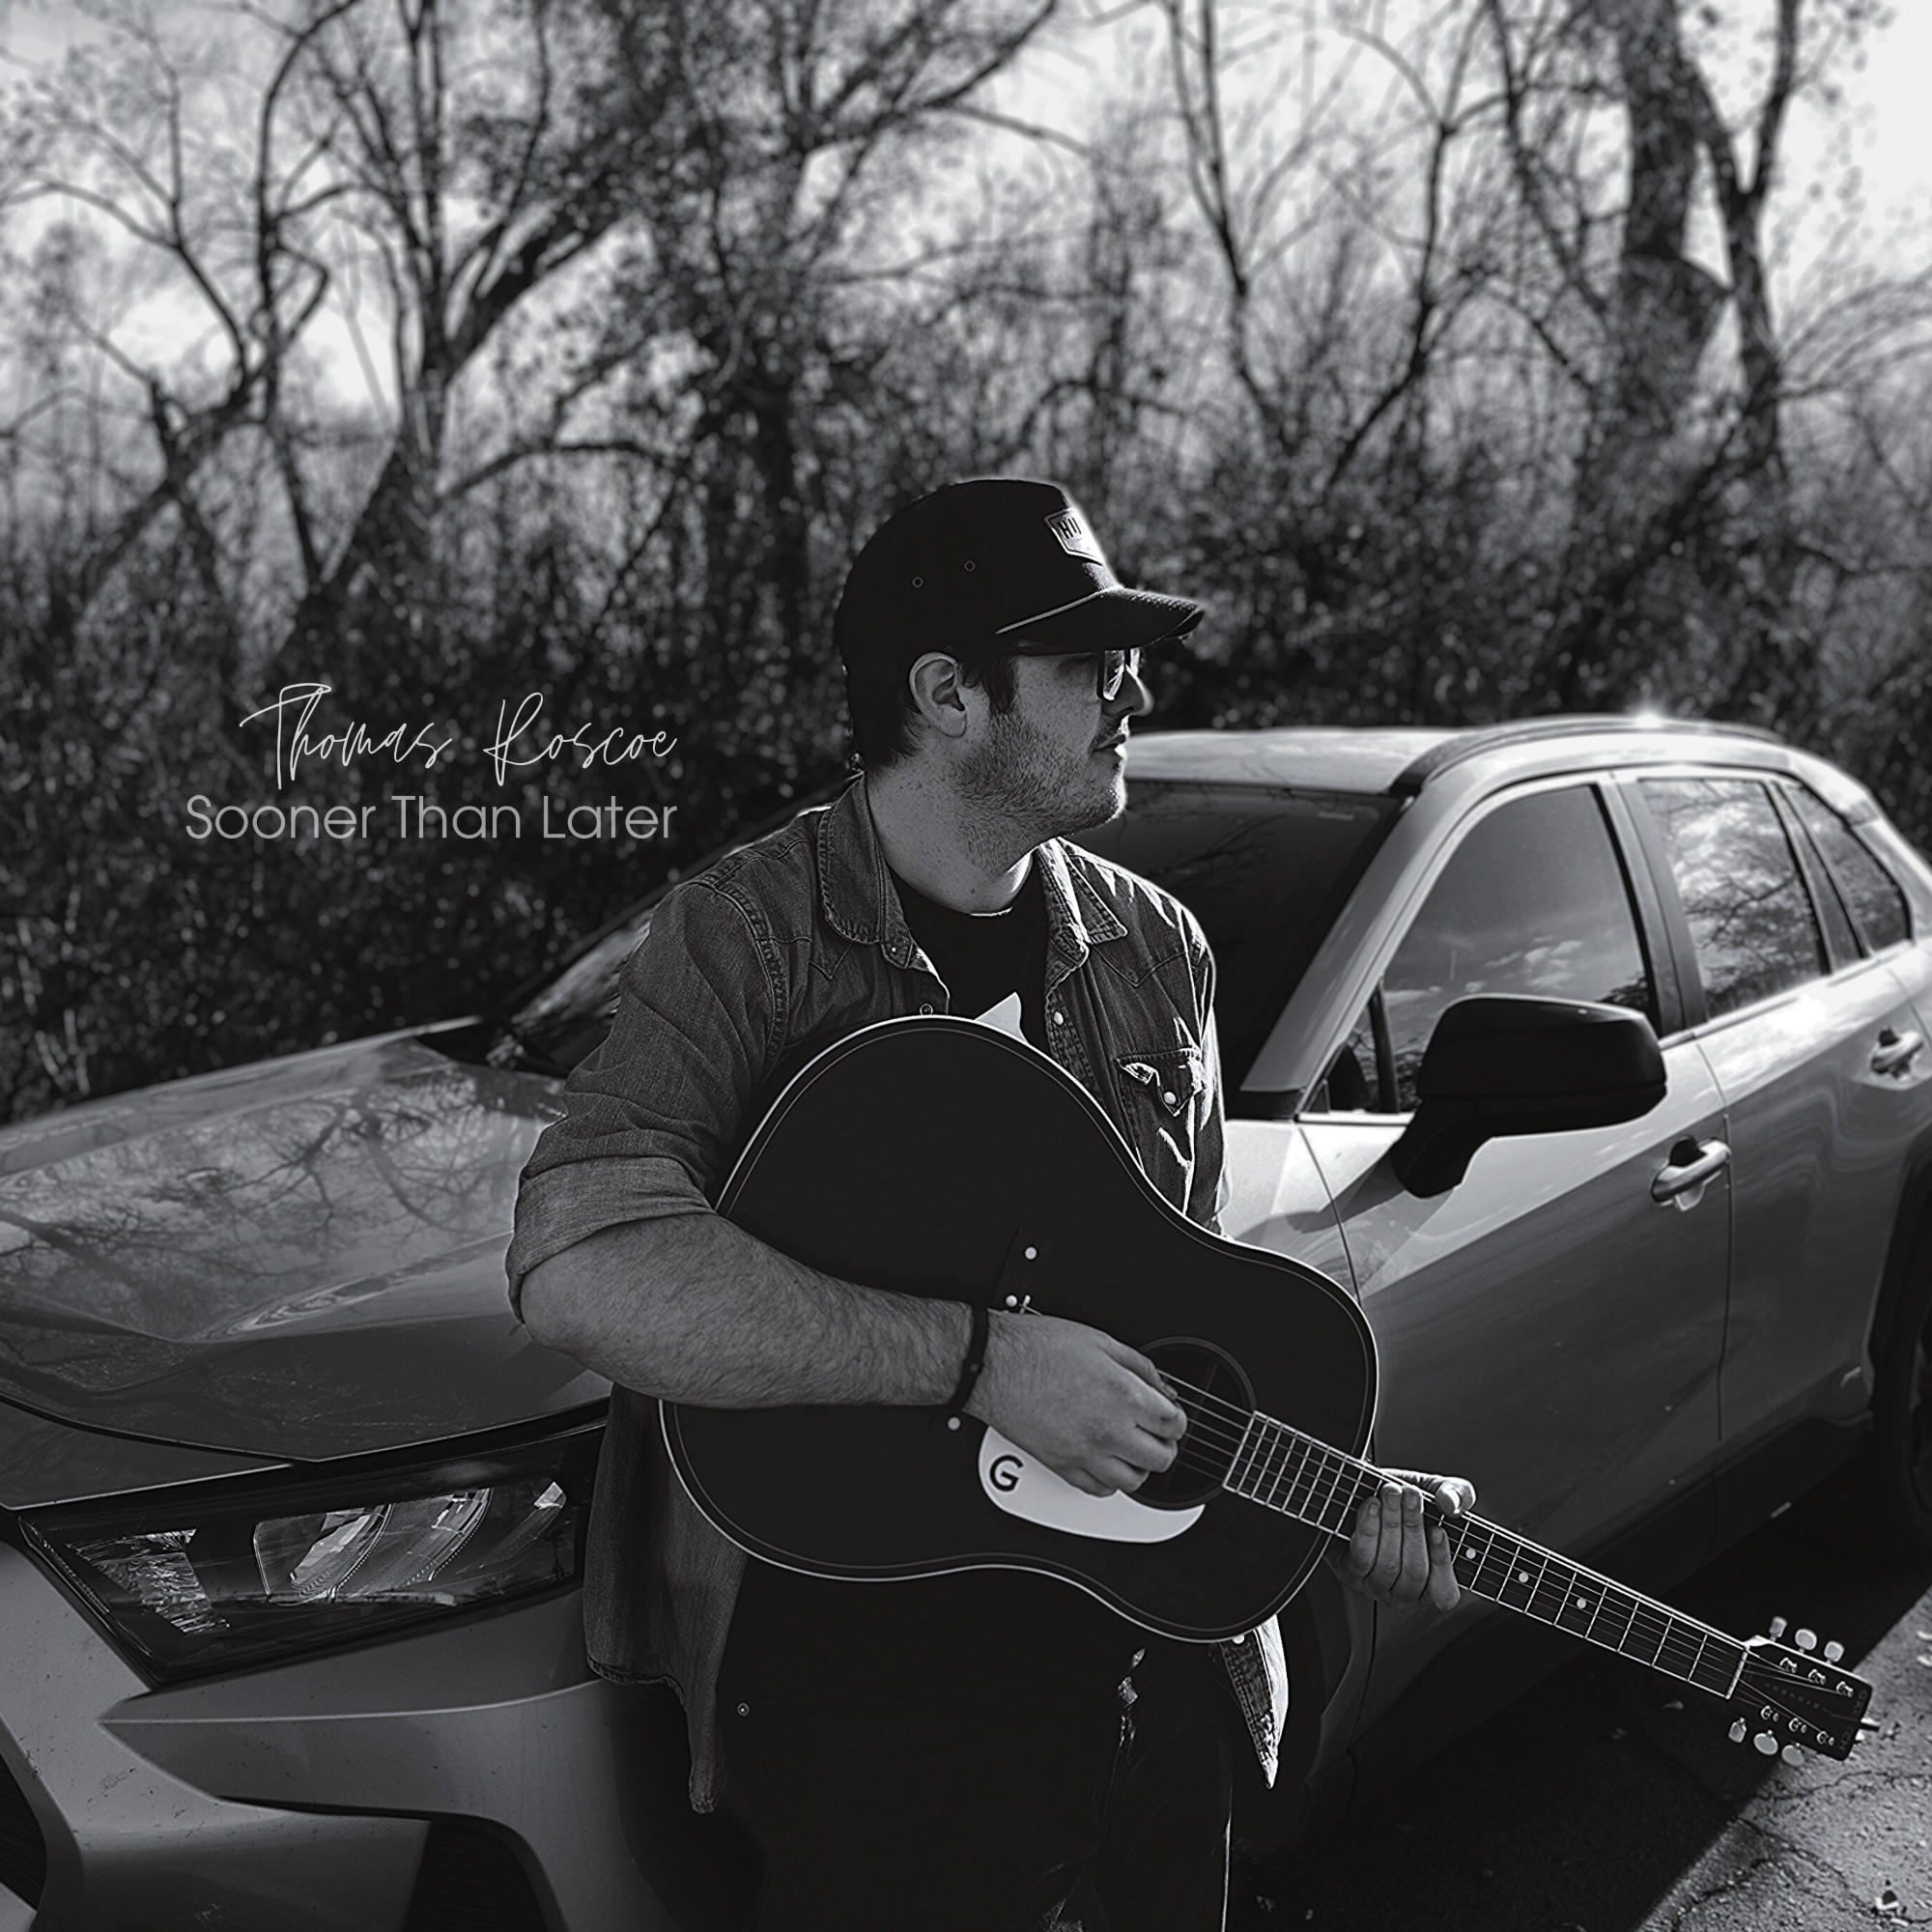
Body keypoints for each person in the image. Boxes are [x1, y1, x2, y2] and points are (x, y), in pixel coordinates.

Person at [506, 476, 1473, 1930]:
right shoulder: (748, 937)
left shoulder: (1159, 949)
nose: (1134, 692)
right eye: (1090, 661)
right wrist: (979, 1361)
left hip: (1158, 1676)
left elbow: (1188, 1306)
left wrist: (1344, 1492)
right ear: (949, 694)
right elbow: (584, 1260)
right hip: (877, 1723)